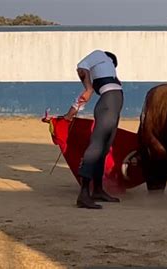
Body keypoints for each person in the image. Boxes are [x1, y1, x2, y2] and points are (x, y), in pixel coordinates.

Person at [64, 49, 124, 209]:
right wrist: (89, 88)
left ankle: (97, 190)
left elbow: (83, 97)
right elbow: (81, 67)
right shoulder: (99, 55)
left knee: (103, 149)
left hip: (111, 107)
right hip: (108, 105)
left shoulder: (106, 73)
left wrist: (70, 114)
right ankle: (84, 194)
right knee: (96, 146)